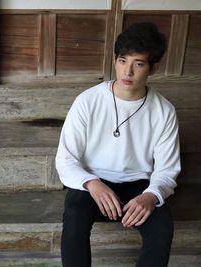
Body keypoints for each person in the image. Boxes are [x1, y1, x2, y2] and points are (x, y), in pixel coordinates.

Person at [55, 22, 181, 267]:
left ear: (153, 68)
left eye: (139, 63)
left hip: (139, 185)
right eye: (123, 61)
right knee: (74, 218)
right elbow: (66, 159)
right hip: (93, 181)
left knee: (162, 229)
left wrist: (152, 195)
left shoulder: (164, 111)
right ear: (115, 60)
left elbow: (167, 170)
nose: (128, 72)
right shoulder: (88, 101)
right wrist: (91, 183)